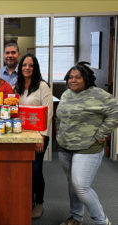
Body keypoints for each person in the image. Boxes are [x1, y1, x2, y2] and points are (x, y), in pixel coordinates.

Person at [56, 62, 117, 225]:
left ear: (86, 79)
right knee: (73, 185)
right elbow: (60, 117)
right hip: (65, 147)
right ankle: (76, 217)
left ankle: (102, 221)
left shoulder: (98, 94)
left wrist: (101, 133)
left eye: (77, 77)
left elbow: (115, 112)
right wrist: (58, 132)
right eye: (70, 77)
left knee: (81, 186)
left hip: (88, 148)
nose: (73, 80)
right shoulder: (67, 94)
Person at [14, 53, 53, 219]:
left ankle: (39, 202)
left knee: (36, 170)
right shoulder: (18, 86)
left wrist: (41, 137)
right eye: (24, 65)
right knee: (23, 169)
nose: (27, 68)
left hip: (38, 136)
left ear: (35, 68)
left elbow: (48, 112)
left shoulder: (43, 86)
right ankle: (27, 199)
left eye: (30, 65)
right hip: (21, 135)